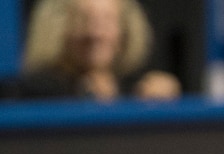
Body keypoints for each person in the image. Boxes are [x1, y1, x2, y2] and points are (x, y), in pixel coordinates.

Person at [13, 0, 179, 101]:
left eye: (107, 21)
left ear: (125, 30)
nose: (95, 33)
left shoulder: (136, 91)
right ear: (58, 27)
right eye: (82, 20)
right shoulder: (32, 93)